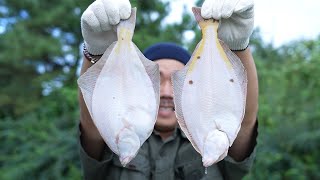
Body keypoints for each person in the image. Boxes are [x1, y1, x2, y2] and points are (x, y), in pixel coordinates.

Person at [78, 0, 258, 179]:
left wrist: (239, 48)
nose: (166, 92)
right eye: (156, 81)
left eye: (177, 82)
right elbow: (93, 123)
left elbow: (244, 123)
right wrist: (96, 54)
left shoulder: (206, 138)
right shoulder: (111, 136)